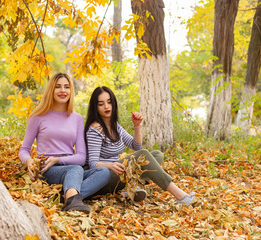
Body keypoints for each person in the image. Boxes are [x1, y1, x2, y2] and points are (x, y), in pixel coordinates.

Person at [84, 86, 195, 206]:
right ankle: (180, 196)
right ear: (95, 107)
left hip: (119, 173)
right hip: (104, 178)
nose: (106, 106)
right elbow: (92, 163)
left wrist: (137, 126)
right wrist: (110, 165)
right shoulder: (95, 129)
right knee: (144, 155)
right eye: (101, 104)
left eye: (109, 102)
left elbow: (135, 146)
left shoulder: (115, 125)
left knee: (157, 155)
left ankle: (132, 186)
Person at [18, 73, 110, 213]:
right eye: (58, 87)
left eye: (67, 87)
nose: (63, 90)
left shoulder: (76, 118)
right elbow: (24, 149)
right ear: (51, 90)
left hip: (70, 167)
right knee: (75, 169)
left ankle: (67, 197)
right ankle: (73, 198)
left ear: (71, 91)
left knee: (103, 172)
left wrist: (58, 159)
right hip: (47, 169)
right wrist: (29, 161)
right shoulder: (37, 117)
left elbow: (81, 157)